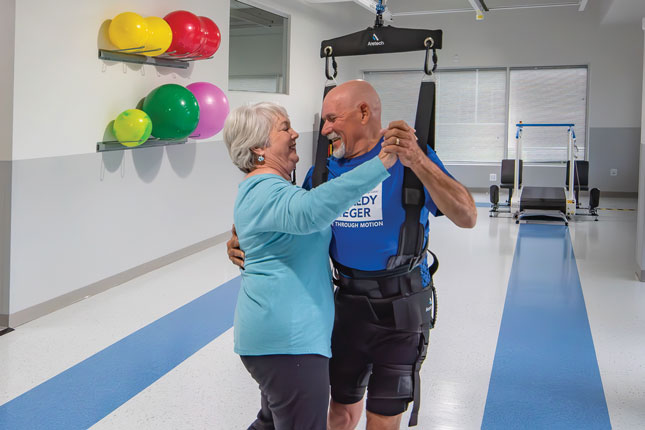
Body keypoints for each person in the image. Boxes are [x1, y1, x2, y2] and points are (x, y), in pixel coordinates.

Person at [227, 81, 477, 430]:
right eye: (323, 120)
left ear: (363, 113)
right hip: (346, 309)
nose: (324, 129)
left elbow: (467, 216)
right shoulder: (322, 172)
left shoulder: (410, 159)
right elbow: (293, 217)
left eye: (332, 119)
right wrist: (243, 236)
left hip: (400, 310)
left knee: (383, 420)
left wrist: (417, 159)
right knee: (340, 413)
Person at [223, 101, 398, 430]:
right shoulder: (265, 190)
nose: (295, 133)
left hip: (281, 338)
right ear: (259, 146)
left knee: (272, 423)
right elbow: (311, 210)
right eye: (284, 127)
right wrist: (381, 163)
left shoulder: (270, 190)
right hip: (288, 342)